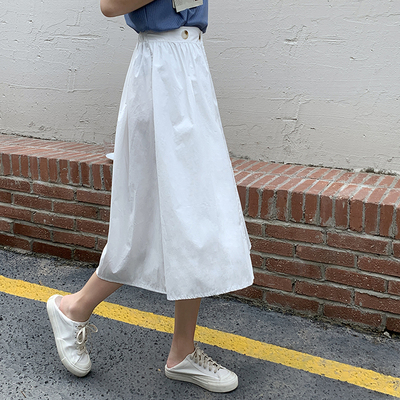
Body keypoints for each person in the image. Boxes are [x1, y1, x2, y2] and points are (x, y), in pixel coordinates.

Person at [46, 0, 254, 393]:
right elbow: (110, 5)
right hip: (161, 73)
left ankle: (182, 351)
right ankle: (73, 307)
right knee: (145, 217)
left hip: (190, 66)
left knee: (196, 215)